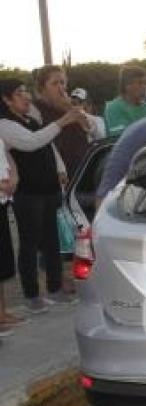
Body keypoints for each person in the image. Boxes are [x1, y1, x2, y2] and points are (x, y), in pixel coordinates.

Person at [0, 79, 86, 313]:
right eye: (19, 93)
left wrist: (59, 168)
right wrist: (63, 120)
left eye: (27, 91)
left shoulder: (31, 118)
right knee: (29, 244)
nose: (26, 96)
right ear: (6, 99)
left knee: (52, 241)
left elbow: (49, 145)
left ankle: (55, 289)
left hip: (48, 189)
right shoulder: (5, 124)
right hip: (28, 193)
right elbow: (32, 142)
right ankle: (31, 296)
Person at [32, 65, 90, 179]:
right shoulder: (34, 110)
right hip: (55, 175)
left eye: (62, 83)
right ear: (42, 88)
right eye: (54, 83)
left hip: (81, 172)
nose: (60, 88)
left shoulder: (69, 106)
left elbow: (89, 129)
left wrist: (72, 109)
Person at [0, 139, 25, 335]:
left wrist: (13, 178)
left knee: (2, 259)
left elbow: (7, 157)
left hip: (2, 200)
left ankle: (2, 312)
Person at [104, 66, 146, 137]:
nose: (144, 87)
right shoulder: (113, 108)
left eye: (145, 83)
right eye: (140, 83)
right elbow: (121, 137)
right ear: (127, 85)